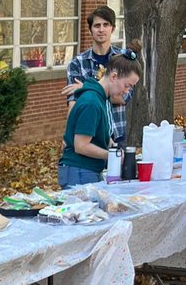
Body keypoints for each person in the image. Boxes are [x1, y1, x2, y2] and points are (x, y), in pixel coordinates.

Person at [57, 49, 142, 187]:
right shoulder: (92, 103)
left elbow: (99, 132)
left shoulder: (102, 99)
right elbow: (81, 146)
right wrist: (112, 155)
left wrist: (114, 146)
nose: (127, 91)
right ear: (114, 76)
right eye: (127, 86)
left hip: (87, 170)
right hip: (79, 171)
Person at [62, 6, 130, 145]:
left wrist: (85, 88)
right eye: (97, 25)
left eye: (106, 25)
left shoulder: (123, 60)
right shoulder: (77, 63)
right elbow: (74, 103)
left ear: (113, 28)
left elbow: (122, 98)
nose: (101, 29)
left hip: (118, 133)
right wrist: (68, 137)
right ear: (90, 30)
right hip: (89, 135)